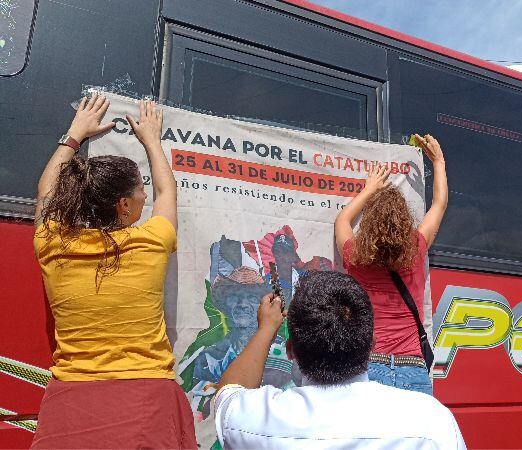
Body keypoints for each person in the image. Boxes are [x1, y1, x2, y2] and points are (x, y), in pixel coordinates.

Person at [30, 94, 197, 448]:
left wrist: (75, 134)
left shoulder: (52, 244)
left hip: (71, 405)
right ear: (124, 205)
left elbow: (46, 191)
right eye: (140, 190)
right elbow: (167, 191)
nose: (145, 197)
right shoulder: (151, 242)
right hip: (145, 403)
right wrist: (151, 140)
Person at [213, 270, 466, 449]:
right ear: (371, 346)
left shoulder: (252, 421)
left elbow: (228, 391)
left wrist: (267, 328)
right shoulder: (431, 421)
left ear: (290, 351)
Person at [334, 134, 448, 395]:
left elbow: (342, 221)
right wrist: (438, 162)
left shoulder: (355, 256)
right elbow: (439, 204)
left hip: (370, 365)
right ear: (404, 219)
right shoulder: (417, 248)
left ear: (369, 221)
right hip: (414, 367)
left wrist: (369, 190)